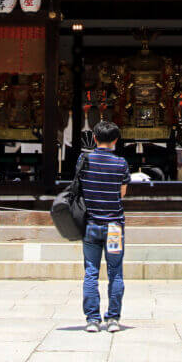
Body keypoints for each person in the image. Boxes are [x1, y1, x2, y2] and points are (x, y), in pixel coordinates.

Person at [77, 120, 131, 333]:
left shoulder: (84, 159)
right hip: (115, 225)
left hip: (91, 222)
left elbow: (79, 186)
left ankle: (92, 319)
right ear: (116, 140)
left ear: (94, 138)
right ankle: (113, 319)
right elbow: (122, 193)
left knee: (91, 271)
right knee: (115, 271)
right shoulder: (121, 163)